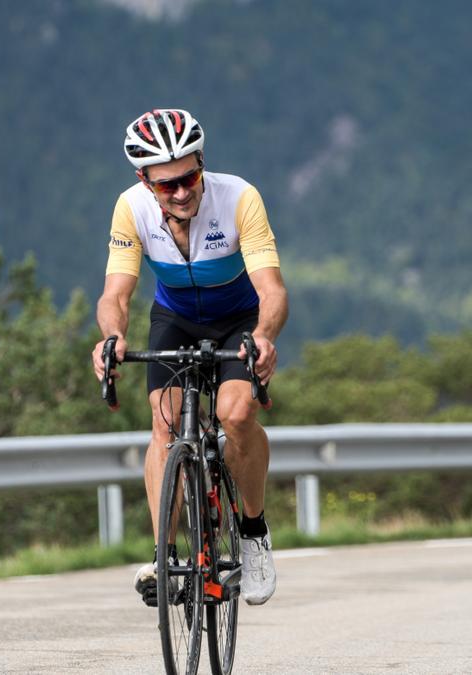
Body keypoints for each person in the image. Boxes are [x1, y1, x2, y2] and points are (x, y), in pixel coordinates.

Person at [92, 108, 288, 607]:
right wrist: (112, 337)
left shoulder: (239, 198)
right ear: (145, 182)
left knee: (235, 413)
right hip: (174, 318)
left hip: (238, 318)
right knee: (164, 425)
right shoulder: (130, 208)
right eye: (166, 186)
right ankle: (164, 554)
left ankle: (253, 530)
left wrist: (263, 335)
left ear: (202, 164)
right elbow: (116, 293)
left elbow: (272, 289)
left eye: (189, 178)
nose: (181, 192)